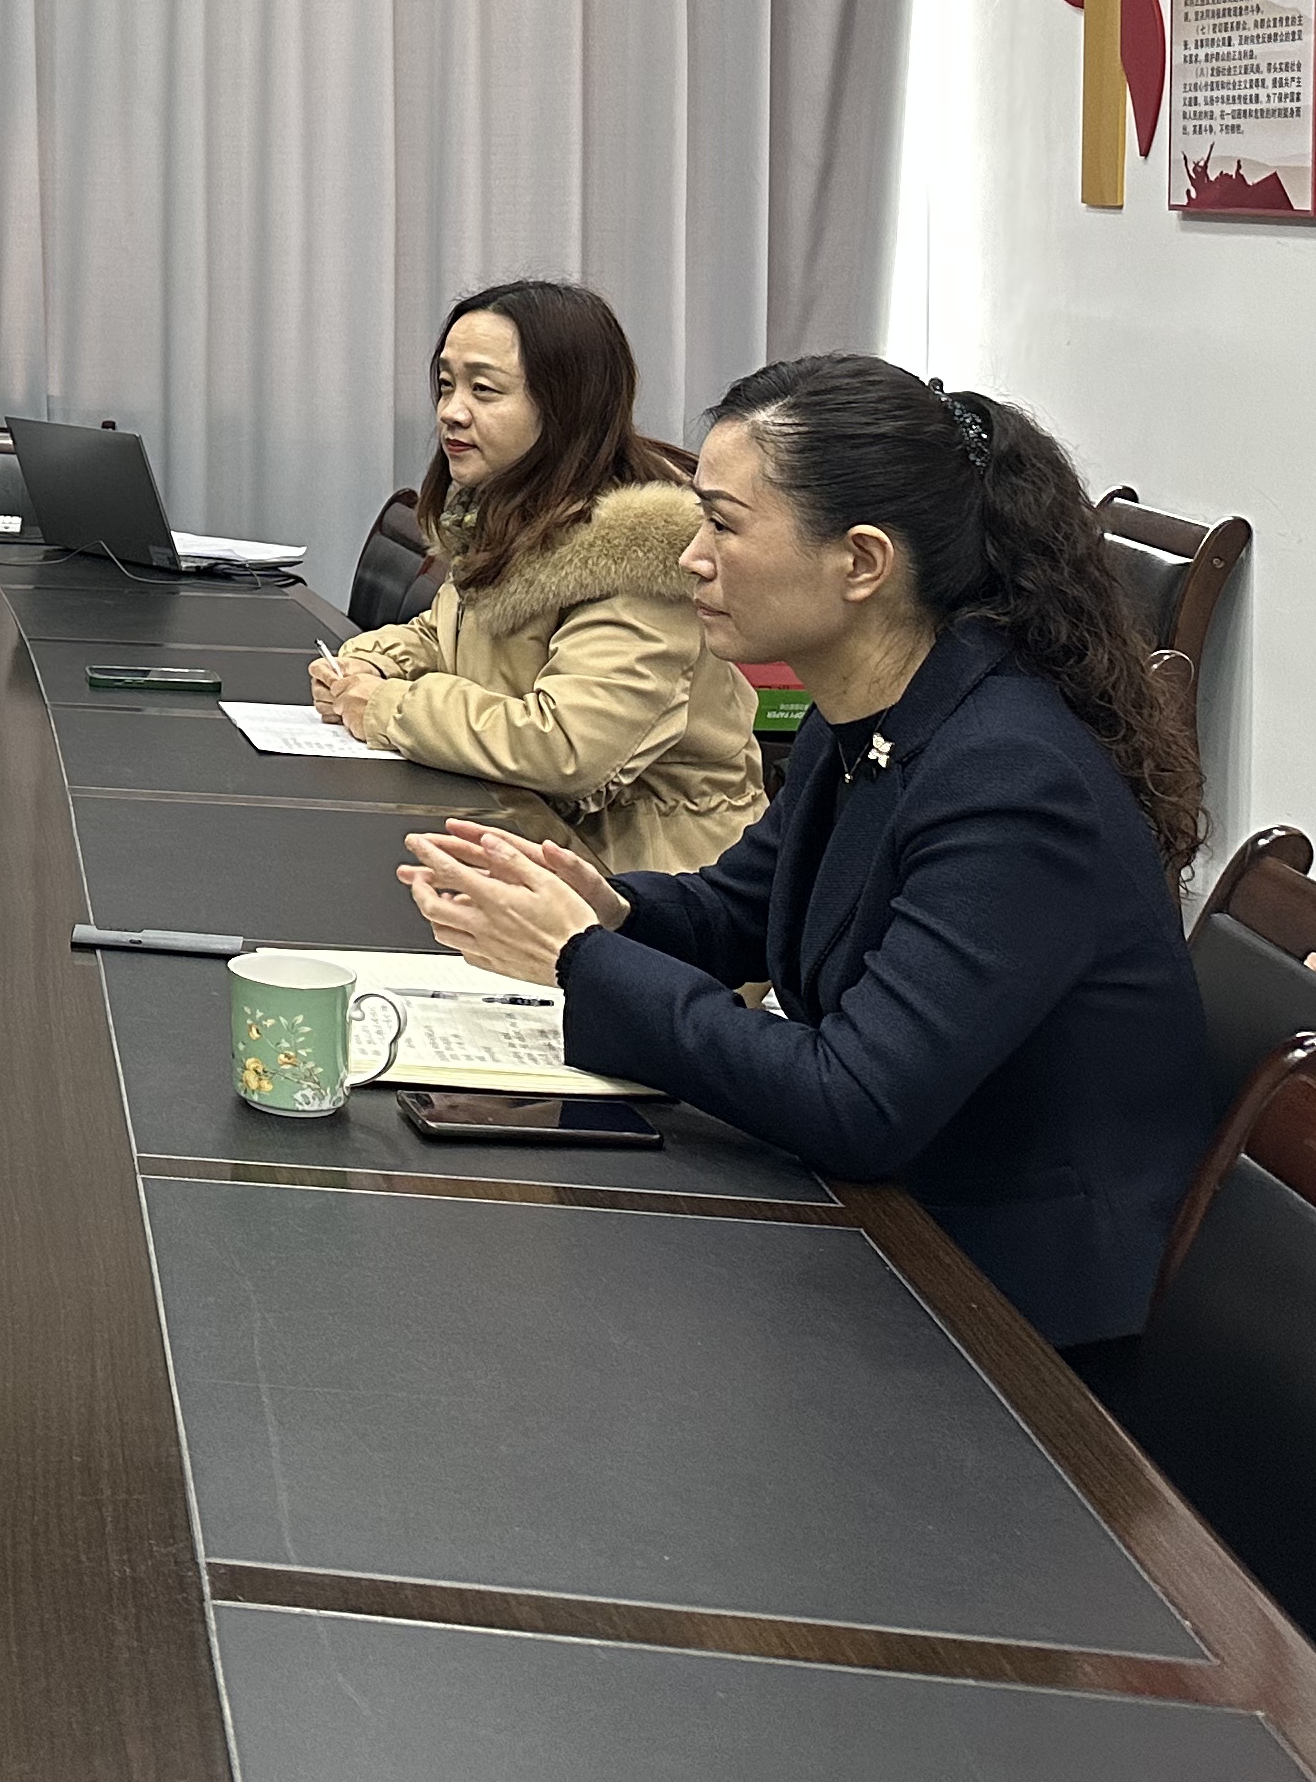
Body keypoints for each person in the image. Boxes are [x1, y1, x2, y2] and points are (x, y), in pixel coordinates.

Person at [400, 356, 1209, 1359]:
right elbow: (744, 908)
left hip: (1006, 1309)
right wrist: (608, 909)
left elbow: (854, 1100)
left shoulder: (1012, 779)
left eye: (723, 526)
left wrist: (580, 957)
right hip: (888, 1220)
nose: (691, 558)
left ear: (861, 562)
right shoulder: (870, 707)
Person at [311, 279, 763, 873]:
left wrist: (389, 707)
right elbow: (445, 634)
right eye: (446, 385)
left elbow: (567, 745)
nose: (451, 411)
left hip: (650, 875)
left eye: (484, 390)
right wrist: (369, 665)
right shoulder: (510, 513)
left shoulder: (637, 558)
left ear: (564, 405)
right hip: (528, 835)